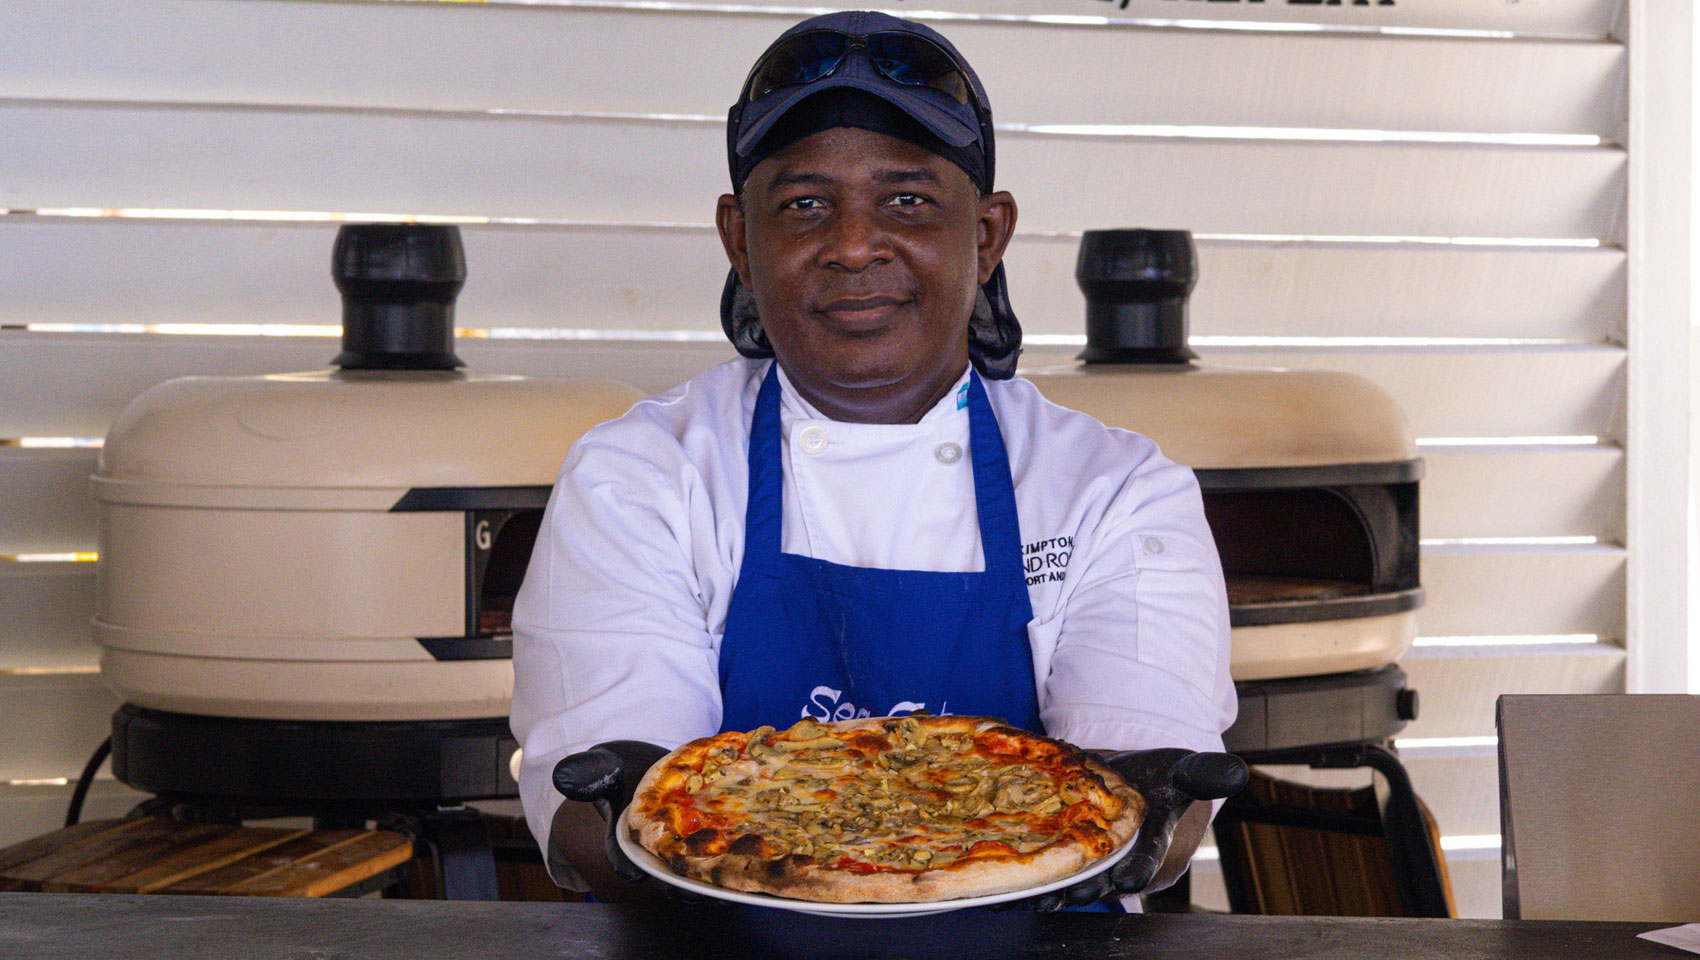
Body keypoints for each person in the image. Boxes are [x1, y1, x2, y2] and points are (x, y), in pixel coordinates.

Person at [510, 10, 1243, 909]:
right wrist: (620, 815)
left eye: (908, 200)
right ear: (741, 241)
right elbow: (605, 810)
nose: (854, 244)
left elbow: (1140, 785)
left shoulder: (1114, 491)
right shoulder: (639, 476)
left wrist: (1152, 803)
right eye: (805, 204)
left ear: (987, 234)